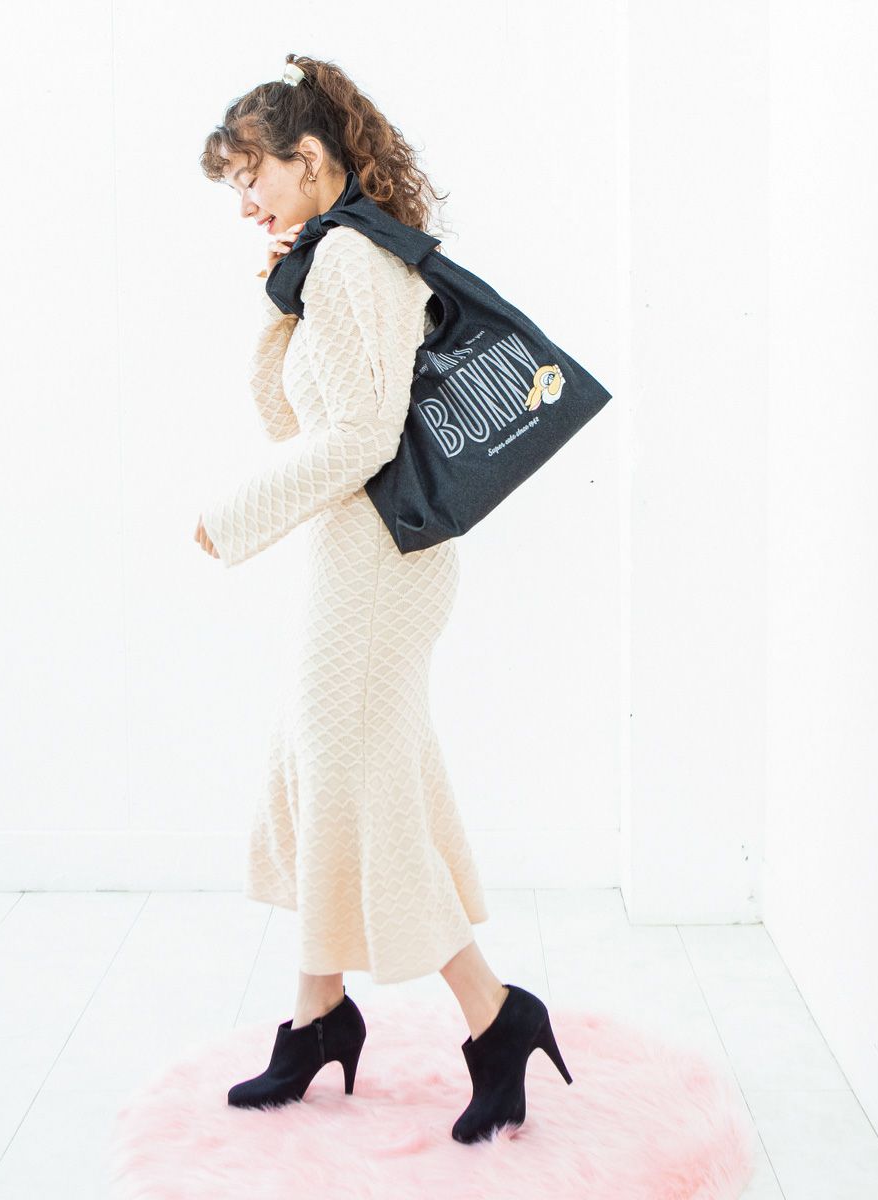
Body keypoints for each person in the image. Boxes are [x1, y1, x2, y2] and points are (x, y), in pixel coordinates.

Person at [193, 54, 572, 1143]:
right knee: (326, 771)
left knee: (358, 788)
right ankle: (317, 1016)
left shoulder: (357, 257)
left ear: (309, 158)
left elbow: (357, 439)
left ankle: (494, 1015)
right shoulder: (339, 257)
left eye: (252, 176)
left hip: (376, 559)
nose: (246, 201)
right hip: (356, 553)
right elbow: (297, 422)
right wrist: (281, 302)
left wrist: (233, 518)